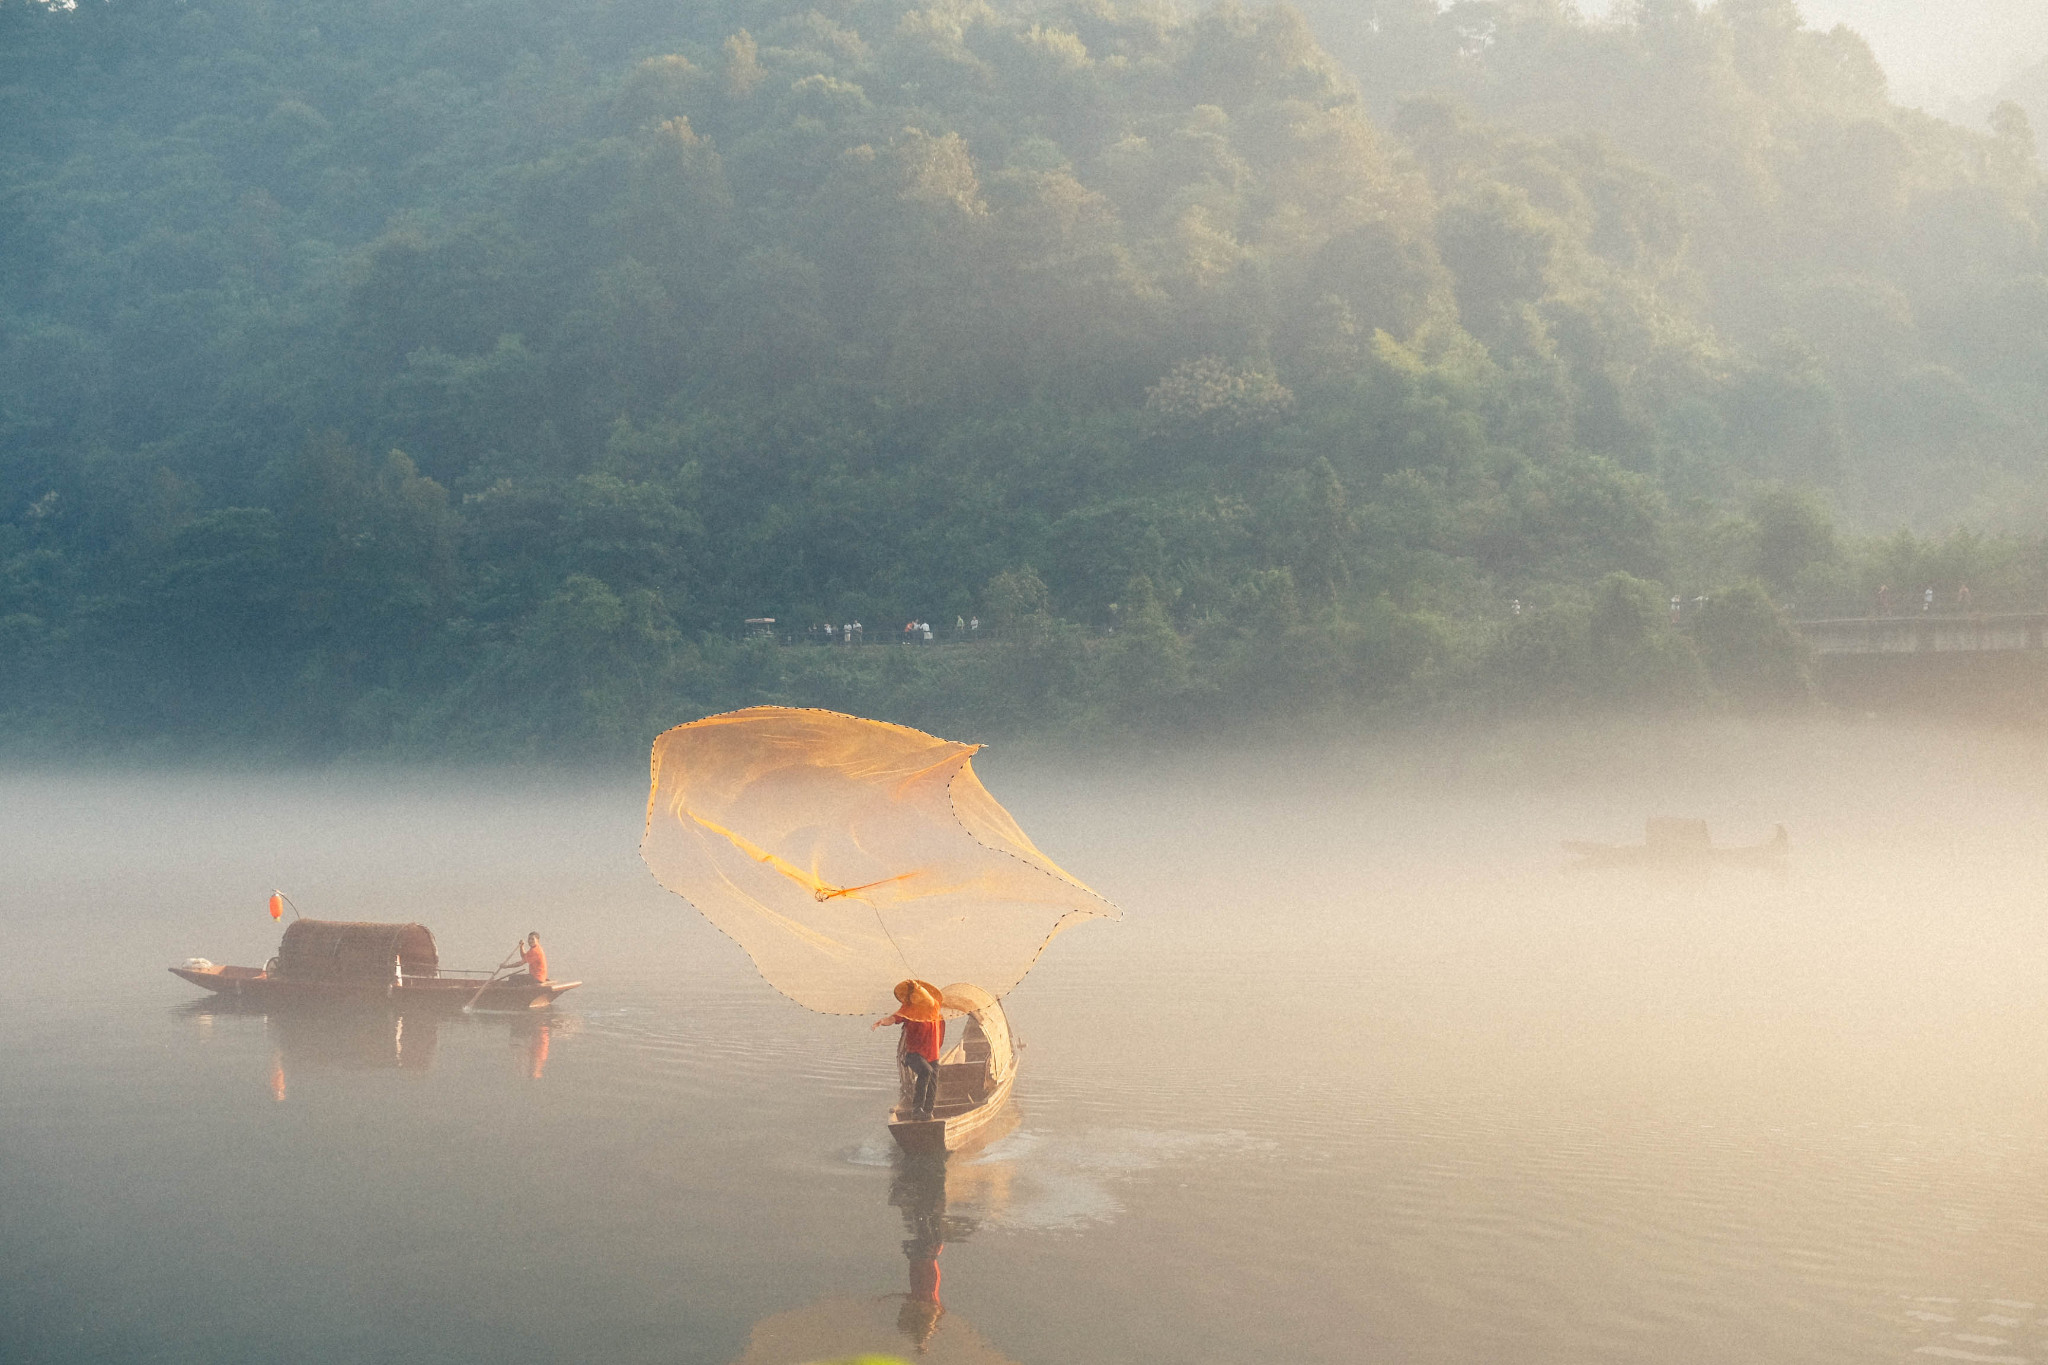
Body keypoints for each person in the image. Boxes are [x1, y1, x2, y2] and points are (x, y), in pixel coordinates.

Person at [874, 979, 945, 1119]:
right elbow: (894, 1018)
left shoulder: (933, 1006)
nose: (915, 997)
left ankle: (928, 1112)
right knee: (926, 1072)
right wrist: (883, 1021)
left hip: (932, 1052)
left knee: (932, 1083)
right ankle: (916, 1110)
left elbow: (930, 1001)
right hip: (914, 1053)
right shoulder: (908, 1008)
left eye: (917, 994)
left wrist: (917, 987)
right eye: (913, 995)